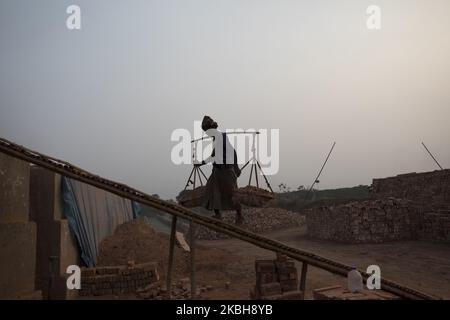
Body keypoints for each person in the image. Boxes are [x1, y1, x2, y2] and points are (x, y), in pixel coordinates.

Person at [194, 116, 243, 224]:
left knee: (231, 194)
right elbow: (214, 155)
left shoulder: (222, 136)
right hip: (217, 171)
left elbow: (232, 151)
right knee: (211, 191)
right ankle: (217, 214)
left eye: (207, 131)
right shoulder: (215, 138)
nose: (206, 134)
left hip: (226, 171)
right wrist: (200, 163)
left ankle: (239, 215)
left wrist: (236, 167)